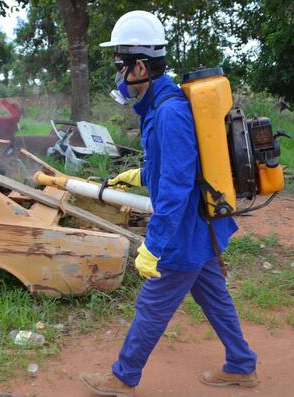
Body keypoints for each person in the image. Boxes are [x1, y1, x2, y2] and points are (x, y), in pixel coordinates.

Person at [79, 10, 259, 397]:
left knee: (152, 304)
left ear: (139, 66)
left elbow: (176, 188)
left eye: (119, 65)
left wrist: (154, 247)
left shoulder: (169, 113)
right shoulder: (159, 108)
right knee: (213, 295)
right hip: (199, 225)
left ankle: (123, 377)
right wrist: (138, 176)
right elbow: (175, 169)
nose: (118, 75)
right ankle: (242, 365)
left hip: (184, 230)